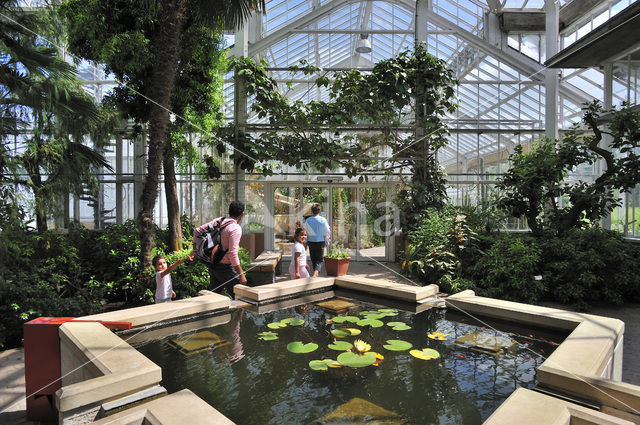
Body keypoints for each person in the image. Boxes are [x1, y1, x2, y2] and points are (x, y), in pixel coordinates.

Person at [193, 201, 247, 295]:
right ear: (242, 214)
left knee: (214, 298)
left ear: (229, 211)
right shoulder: (235, 228)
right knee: (240, 296)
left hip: (213, 264)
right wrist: (241, 275)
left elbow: (197, 231)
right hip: (225, 269)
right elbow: (232, 254)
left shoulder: (219, 220)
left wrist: (195, 250)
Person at [304, 203, 331, 277]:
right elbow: (327, 231)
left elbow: (305, 232)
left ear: (312, 211)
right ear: (319, 210)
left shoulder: (308, 220)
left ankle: (315, 273)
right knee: (320, 259)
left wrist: (305, 242)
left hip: (311, 241)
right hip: (320, 241)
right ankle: (316, 273)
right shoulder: (323, 220)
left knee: (313, 258)